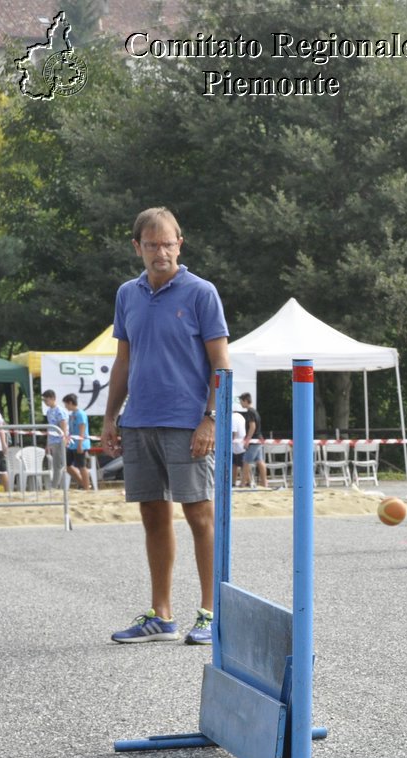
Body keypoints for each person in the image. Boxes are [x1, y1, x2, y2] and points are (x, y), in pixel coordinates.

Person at [101, 206, 231, 646]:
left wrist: (210, 418)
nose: (162, 252)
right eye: (152, 244)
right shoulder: (127, 294)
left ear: (181, 243)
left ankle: (212, 614)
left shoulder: (201, 293)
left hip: (187, 422)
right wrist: (109, 417)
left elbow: (221, 364)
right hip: (139, 421)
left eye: (169, 242)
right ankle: (162, 615)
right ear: (137, 247)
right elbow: (123, 361)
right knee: (153, 515)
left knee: (200, 515)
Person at [62, 392, 91, 490]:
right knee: (67, 465)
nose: (65, 406)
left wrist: (80, 444)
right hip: (72, 444)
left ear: (70, 402)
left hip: (80, 443)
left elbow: (82, 428)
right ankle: (82, 483)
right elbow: (71, 430)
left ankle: (87, 488)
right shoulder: (72, 414)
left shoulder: (80, 414)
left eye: (66, 404)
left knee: (82, 466)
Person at [238, 392, 266, 488]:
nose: (241, 404)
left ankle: (243, 483)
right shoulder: (255, 411)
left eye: (241, 401)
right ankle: (264, 483)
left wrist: (247, 440)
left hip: (254, 440)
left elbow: (252, 427)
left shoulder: (250, 412)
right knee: (260, 461)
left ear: (246, 401)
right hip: (259, 438)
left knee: (246, 461)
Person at [41, 389, 67, 488]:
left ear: (52, 398)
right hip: (52, 440)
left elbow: (63, 424)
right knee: (56, 464)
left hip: (59, 440)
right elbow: (50, 427)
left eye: (46, 400)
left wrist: (64, 438)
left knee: (58, 465)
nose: (45, 402)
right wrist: (48, 443)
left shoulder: (59, 410)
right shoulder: (49, 411)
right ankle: (57, 486)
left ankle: (55, 487)